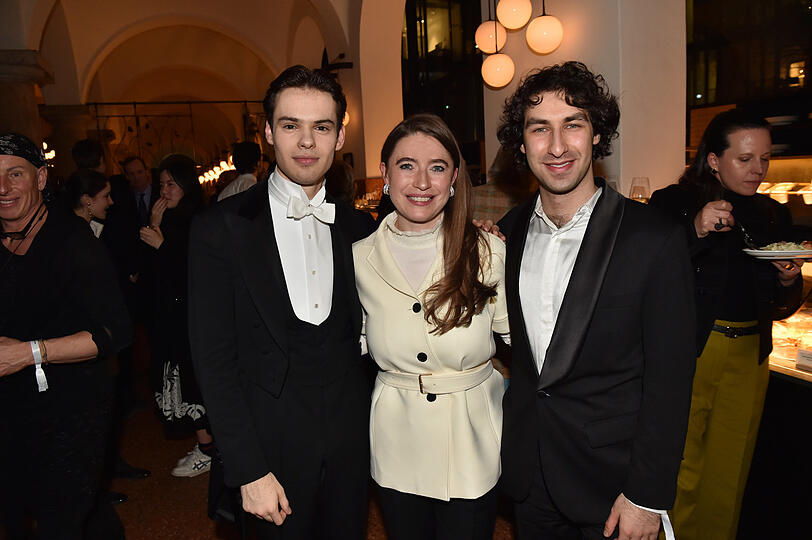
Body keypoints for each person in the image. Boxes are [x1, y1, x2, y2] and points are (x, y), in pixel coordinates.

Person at [495, 61, 696, 540]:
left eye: (574, 125)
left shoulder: (655, 240)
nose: (558, 146)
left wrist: (647, 496)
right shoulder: (504, 237)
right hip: (530, 478)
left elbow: (671, 382)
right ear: (522, 144)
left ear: (597, 134)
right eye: (540, 129)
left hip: (616, 488)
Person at [188, 65, 372, 539]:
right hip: (268, 456)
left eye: (322, 127)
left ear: (339, 135)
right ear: (269, 132)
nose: (307, 142)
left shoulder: (361, 230)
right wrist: (247, 469)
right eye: (291, 125)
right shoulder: (220, 229)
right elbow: (213, 361)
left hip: (351, 453)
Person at [649, 109, 805, 540]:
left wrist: (790, 281)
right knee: (682, 469)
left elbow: (779, 306)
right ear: (714, 159)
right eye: (745, 159)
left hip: (750, 354)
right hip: (694, 350)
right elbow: (649, 274)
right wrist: (695, 229)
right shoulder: (674, 203)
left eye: (765, 160)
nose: (758, 170)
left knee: (730, 471)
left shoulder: (772, 215)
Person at [353, 114, 508, 539]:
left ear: (454, 177)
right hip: (395, 440)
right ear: (384, 174)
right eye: (407, 165)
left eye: (437, 167)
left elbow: (527, 345)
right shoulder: (355, 259)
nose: (422, 181)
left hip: (472, 439)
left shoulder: (488, 250)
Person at [0, 132, 130, 538]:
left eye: (14, 174)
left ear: (40, 179)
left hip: (70, 406)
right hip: (7, 407)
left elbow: (114, 332)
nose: (2, 188)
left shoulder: (72, 241)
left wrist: (28, 353)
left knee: (63, 517)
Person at [138, 154, 213, 477]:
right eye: (161, 184)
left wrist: (161, 243)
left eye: (171, 184)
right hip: (170, 316)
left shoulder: (199, 218)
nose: (164, 190)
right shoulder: (168, 219)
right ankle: (207, 446)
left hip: (192, 318)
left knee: (194, 382)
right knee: (178, 379)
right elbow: (153, 273)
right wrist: (156, 228)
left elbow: (195, 272)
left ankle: (209, 449)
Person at [64, 168, 113, 237]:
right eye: (106, 196)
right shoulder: (77, 235)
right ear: (87, 200)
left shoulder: (86, 228)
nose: (111, 202)